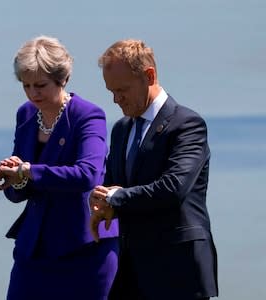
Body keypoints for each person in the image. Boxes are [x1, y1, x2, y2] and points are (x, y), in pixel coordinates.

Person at [90, 39, 218, 300]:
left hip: (178, 272)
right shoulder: (122, 129)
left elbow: (173, 189)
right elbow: (114, 185)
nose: (116, 99)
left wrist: (116, 197)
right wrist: (102, 203)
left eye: (122, 90)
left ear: (149, 76)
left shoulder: (187, 124)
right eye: (110, 91)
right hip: (132, 271)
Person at [0, 35, 118, 300]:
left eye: (40, 85)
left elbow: (88, 175)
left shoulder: (88, 115)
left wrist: (27, 171)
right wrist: (13, 178)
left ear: (63, 79)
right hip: (34, 248)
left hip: (84, 246)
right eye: (25, 85)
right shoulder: (25, 114)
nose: (32, 93)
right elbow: (20, 192)